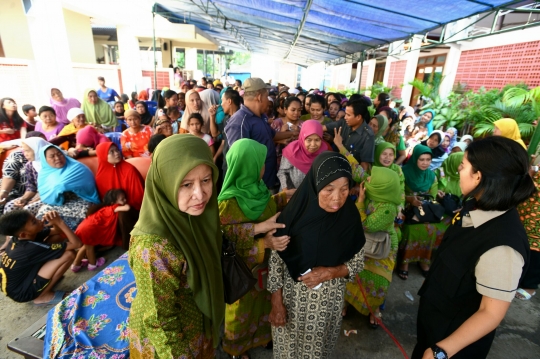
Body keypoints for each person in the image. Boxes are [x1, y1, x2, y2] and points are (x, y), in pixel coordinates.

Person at [412, 136, 535, 359]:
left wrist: (441, 352)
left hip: (454, 347)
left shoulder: (503, 248)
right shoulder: (474, 206)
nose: (458, 170)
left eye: (462, 166)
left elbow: (490, 313)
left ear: (478, 176)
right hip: (434, 327)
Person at [129, 135, 224, 358]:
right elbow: (160, 323)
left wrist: (257, 232)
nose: (200, 194)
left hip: (198, 327)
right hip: (172, 344)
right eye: (186, 184)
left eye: (206, 180)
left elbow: (217, 238)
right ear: (165, 183)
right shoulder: (153, 249)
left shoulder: (194, 215)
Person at [268, 152, 366, 359]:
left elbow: (358, 261)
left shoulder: (349, 218)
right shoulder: (294, 214)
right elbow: (276, 261)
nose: (337, 198)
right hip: (291, 304)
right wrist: (276, 303)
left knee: (318, 353)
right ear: (314, 185)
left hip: (327, 307)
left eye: (344, 189)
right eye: (329, 189)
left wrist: (331, 272)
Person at [218, 139, 293, 359]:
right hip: (242, 272)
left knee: (263, 302)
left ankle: (261, 336)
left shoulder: (258, 189)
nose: (265, 167)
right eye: (261, 163)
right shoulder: (227, 204)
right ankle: (237, 348)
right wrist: (263, 242)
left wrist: (281, 198)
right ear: (248, 167)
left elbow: (265, 210)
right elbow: (223, 240)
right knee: (241, 309)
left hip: (264, 267)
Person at [345, 166, 402, 328]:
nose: (367, 179)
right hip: (362, 243)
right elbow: (358, 171)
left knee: (378, 282)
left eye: (372, 178)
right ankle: (348, 302)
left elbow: (364, 225)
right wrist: (341, 146)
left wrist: (361, 202)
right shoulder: (374, 191)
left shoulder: (388, 208)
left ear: (383, 185)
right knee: (353, 274)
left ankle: (374, 309)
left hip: (381, 249)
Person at [224, 78, 297, 189]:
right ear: (259, 97)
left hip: (268, 181)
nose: (268, 101)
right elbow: (240, 161)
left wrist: (295, 133)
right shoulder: (240, 121)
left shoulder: (261, 116)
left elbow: (272, 135)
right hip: (254, 188)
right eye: (266, 96)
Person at [0, 209, 81, 304]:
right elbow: (77, 244)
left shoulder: (20, 237)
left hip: (19, 284)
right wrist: (60, 222)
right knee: (68, 254)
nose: (39, 220)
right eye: (34, 222)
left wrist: (54, 222)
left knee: (56, 238)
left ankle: (47, 282)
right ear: (23, 234)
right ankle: (41, 296)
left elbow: (56, 231)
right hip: (23, 293)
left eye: (35, 217)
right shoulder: (29, 248)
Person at [398, 145, 449, 280]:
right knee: (411, 230)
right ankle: (405, 264)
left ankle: (423, 261)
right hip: (406, 209)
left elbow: (432, 196)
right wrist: (410, 199)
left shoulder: (431, 176)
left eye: (428, 159)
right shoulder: (403, 172)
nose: (425, 163)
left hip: (424, 210)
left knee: (431, 228)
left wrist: (424, 203)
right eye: (422, 159)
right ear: (415, 159)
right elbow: (398, 192)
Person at [36, 145, 101, 231]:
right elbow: (46, 192)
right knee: (41, 215)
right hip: (58, 201)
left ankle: (61, 235)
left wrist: (60, 187)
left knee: (71, 219)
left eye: (60, 154)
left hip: (82, 199)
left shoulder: (77, 167)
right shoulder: (44, 173)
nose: (57, 158)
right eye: (52, 156)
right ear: (45, 160)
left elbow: (61, 185)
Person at [95, 141, 144, 248]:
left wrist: (121, 207)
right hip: (112, 209)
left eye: (117, 150)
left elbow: (139, 196)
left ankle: (129, 246)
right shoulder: (100, 176)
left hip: (133, 208)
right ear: (103, 156)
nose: (116, 153)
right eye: (111, 152)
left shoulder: (129, 169)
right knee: (93, 213)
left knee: (122, 214)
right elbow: (105, 200)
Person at [72, 189, 130, 272]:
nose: (125, 200)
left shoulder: (103, 209)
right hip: (88, 229)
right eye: (122, 199)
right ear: (112, 202)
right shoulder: (114, 207)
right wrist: (126, 205)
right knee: (90, 248)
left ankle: (76, 265)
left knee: (85, 246)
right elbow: (126, 208)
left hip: (83, 226)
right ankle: (93, 264)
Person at [323, 99, 375, 171]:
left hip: (351, 175)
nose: (345, 117)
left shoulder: (368, 136)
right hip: (336, 168)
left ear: (358, 117)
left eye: (348, 115)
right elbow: (323, 128)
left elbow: (363, 168)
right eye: (345, 114)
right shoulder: (343, 123)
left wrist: (340, 145)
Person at [3, 137, 49, 215]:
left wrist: (34, 200)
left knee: (27, 210)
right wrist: (23, 199)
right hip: (37, 195)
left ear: (37, 149)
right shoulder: (30, 165)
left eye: (27, 151)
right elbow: (31, 187)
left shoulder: (51, 163)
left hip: (51, 195)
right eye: (24, 151)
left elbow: (54, 188)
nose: (25, 154)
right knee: (10, 206)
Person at [278, 120, 328, 190]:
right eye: (309, 140)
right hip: (292, 194)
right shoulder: (292, 151)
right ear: (302, 138)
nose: (313, 145)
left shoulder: (324, 153)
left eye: (317, 140)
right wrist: (285, 190)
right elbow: (282, 172)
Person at [516, 168, 540, 300]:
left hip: (536, 220)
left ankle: (530, 287)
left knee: (535, 254)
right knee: (523, 246)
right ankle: (519, 279)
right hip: (528, 210)